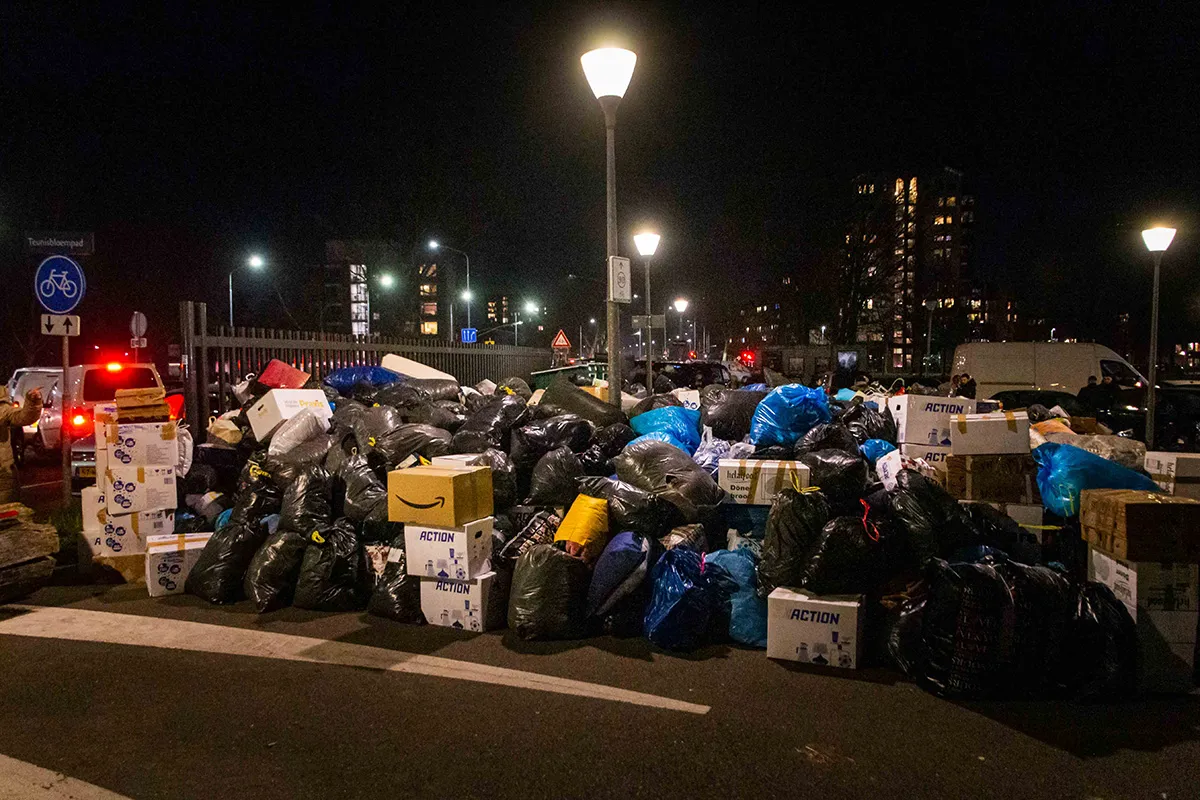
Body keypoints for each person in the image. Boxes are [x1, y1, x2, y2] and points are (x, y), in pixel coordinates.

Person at [0, 387, 43, 503]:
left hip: (3, 474)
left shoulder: (3, 409)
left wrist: (33, 401)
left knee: (6, 515)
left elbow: (23, 417)